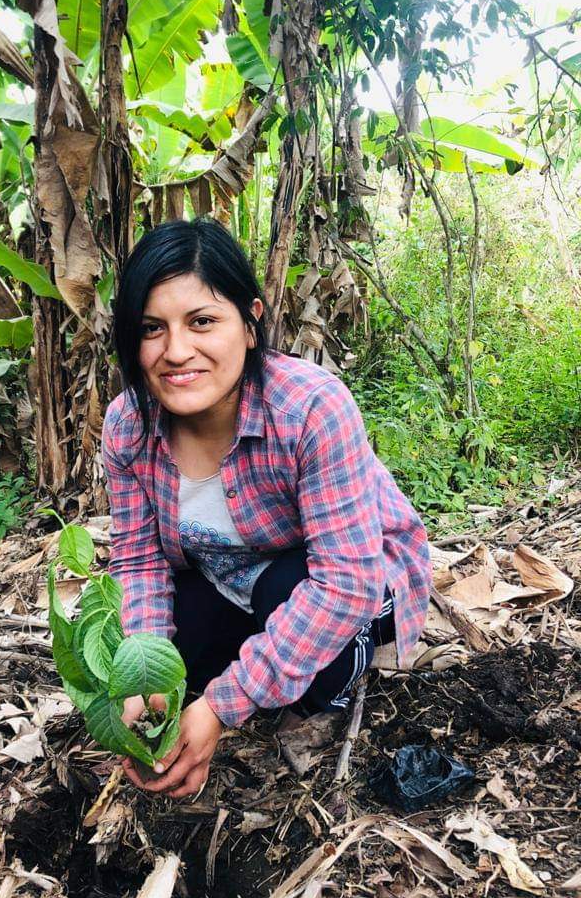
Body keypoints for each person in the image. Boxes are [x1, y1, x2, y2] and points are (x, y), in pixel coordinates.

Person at [102, 218, 431, 799]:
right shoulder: (128, 425)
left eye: (202, 321)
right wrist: (147, 680)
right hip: (229, 575)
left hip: (342, 576)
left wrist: (221, 708)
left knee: (298, 626)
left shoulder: (310, 409)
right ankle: (250, 667)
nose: (176, 352)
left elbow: (345, 581)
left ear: (251, 323)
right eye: (152, 328)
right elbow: (139, 562)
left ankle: (337, 667)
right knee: (180, 658)